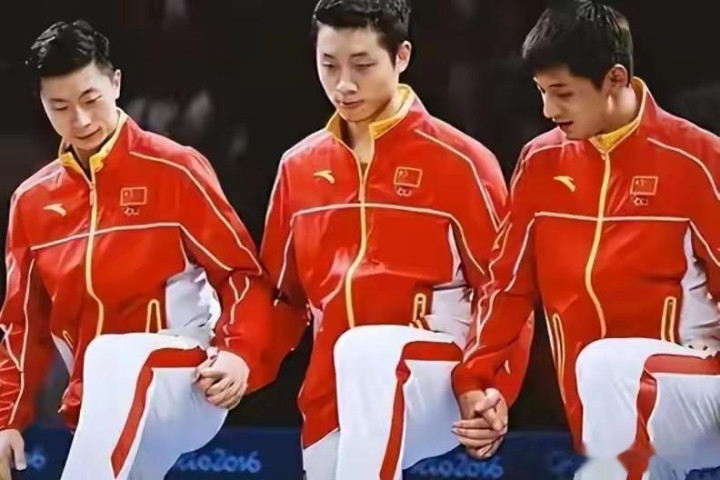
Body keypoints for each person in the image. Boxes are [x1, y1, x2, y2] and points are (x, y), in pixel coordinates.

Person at [254, 0, 532, 478]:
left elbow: (507, 289)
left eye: (362, 66)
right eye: (329, 65)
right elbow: (282, 298)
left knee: (367, 350)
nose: (344, 84)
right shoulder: (298, 167)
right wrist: (241, 360)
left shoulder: (461, 162)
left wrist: (491, 386)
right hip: (333, 389)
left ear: (402, 56)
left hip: (441, 376)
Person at [451, 1, 720, 478]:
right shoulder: (539, 163)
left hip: (702, 395)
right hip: (605, 417)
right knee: (604, 381)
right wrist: (478, 381)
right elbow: (506, 286)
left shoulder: (698, 160)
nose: (548, 110)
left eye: (562, 93)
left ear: (615, 79)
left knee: (605, 364)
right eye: (541, 92)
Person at [0, 20, 274, 479]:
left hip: (187, 383)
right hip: (97, 405)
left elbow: (243, 274)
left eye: (91, 99)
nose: (80, 120)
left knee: (111, 354)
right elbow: (22, 323)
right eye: (60, 107)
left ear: (116, 83)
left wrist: (239, 353)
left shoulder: (176, 169)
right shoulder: (31, 202)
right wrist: (6, 418)